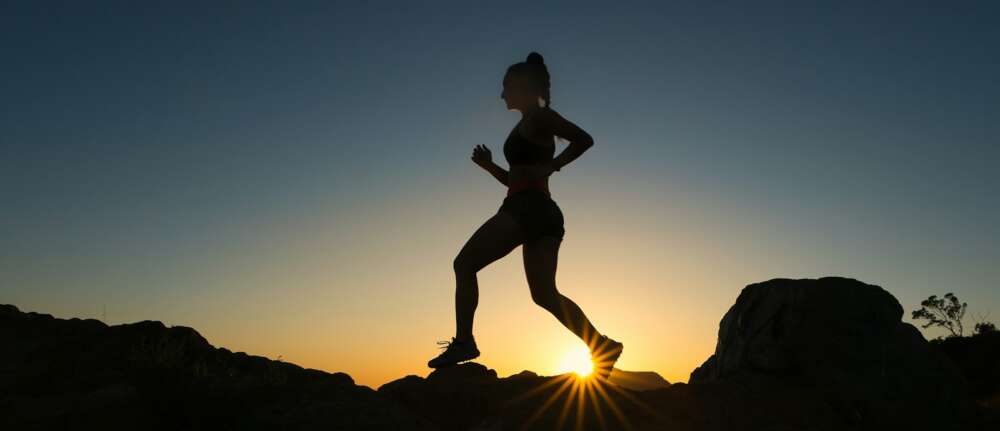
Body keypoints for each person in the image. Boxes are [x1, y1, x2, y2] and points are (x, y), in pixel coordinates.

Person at [427, 52, 623, 380]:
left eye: (506, 87)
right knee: (544, 294)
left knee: (464, 264)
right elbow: (516, 179)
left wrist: (554, 164)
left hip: (527, 208)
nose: (502, 95)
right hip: (541, 211)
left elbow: (584, 139)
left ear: (522, 87)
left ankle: (464, 342)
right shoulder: (528, 122)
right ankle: (601, 345)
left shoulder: (539, 117)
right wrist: (490, 167)